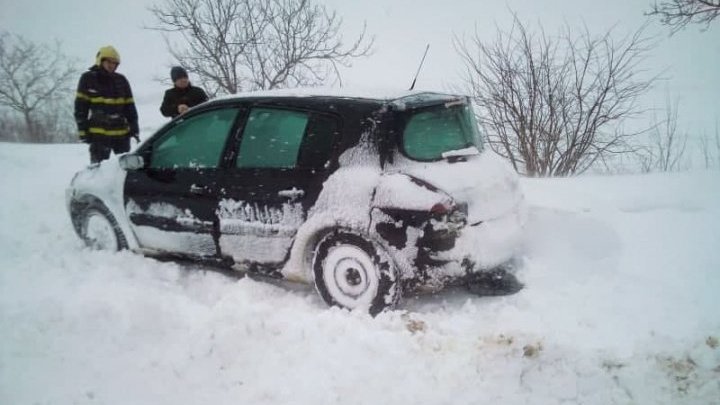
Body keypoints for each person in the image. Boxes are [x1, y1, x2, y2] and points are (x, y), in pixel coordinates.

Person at [74, 46, 139, 164]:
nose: (111, 65)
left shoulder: (121, 80)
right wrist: (83, 131)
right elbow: (80, 108)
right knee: (98, 171)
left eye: (114, 63)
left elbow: (130, 106)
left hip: (121, 135)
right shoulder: (88, 78)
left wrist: (134, 127)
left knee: (124, 170)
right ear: (101, 60)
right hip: (99, 136)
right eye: (108, 61)